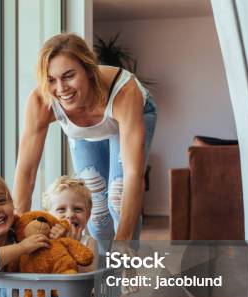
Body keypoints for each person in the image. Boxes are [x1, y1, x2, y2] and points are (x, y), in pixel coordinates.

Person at [13, 33, 158, 241]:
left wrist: (123, 241)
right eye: (51, 80)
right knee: (96, 210)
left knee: (117, 196)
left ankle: (126, 267)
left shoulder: (125, 91)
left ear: (89, 70)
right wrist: (16, 235)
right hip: (86, 132)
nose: (61, 89)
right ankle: (102, 269)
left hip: (131, 116)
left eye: (69, 76)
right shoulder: (41, 100)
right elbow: (26, 173)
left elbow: (133, 174)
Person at [43, 175, 98, 272]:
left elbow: (87, 276)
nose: (70, 215)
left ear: (88, 215)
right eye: (61, 209)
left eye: (77, 209)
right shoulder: (44, 239)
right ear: (48, 216)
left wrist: (72, 246)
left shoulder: (89, 243)